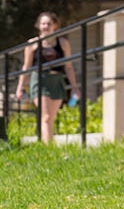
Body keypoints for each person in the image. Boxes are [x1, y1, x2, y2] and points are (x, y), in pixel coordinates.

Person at [14, 12, 81, 144]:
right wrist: (20, 87)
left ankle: (47, 145)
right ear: (38, 26)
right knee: (46, 117)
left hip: (56, 81)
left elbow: (68, 66)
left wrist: (74, 87)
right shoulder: (32, 44)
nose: (46, 26)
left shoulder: (63, 43)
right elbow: (26, 66)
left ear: (55, 26)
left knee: (51, 117)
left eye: (49, 24)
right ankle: (49, 147)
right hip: (40, 81)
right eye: (43, 23)